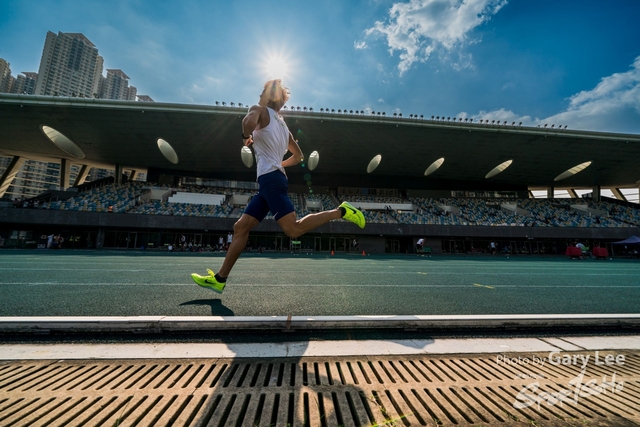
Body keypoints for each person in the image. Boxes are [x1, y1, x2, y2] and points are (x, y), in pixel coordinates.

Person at [191, 79, 365, 293]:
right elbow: (298, 156)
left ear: (266, 95)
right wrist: (278, 163)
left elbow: (246, 124)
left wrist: (246, 137)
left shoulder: (259, 110)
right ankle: (220, 279)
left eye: (263, 92)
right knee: (241, 227)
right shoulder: (283, 126)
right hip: (270, 180)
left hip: (271, 180)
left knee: (294, 229)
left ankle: (342, 211)